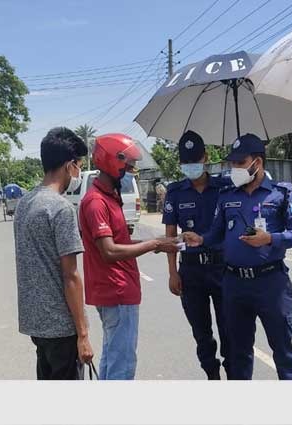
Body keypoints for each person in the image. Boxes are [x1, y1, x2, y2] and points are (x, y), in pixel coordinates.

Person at [183, 134, 292, 380]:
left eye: (241, 163)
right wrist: (201, 239)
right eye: (233, 163)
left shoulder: (281, 194)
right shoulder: (228, 196)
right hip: (234, 284)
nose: (235, 169)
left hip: (271, 284)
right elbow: (216, 233)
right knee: (239, 353)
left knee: (282, 351)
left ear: (257, 162)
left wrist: (270, 239)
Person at [78, 133, 179, 380]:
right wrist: (155, 242)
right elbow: (110, 251)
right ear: (114, 161)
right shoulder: (96, 202)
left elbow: (120, 243)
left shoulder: (110, 198)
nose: (130, 171)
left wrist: (159, 244)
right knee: (121, 363)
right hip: (115, 291)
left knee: (114, 357)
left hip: (120, 290)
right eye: (128, 165)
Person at [14, 127, 93, 380]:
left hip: (36, 323)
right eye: (79, 165)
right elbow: (71, 276)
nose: (78, 172)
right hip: (61, 326)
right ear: (70, 165)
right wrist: (83, 334)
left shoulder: (25, 203)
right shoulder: (60, 208)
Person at [162, 131, 230, 380]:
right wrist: (172, 273)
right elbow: (170, 235)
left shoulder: (225, 188)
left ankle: (233, 376)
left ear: (206, 157)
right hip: (191, 272)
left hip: (223, 269)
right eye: (185, 161)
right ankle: (212, 376)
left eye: (195, 159)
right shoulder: (175, 192)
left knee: (230, 330)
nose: (190, 165)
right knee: (202, 333)